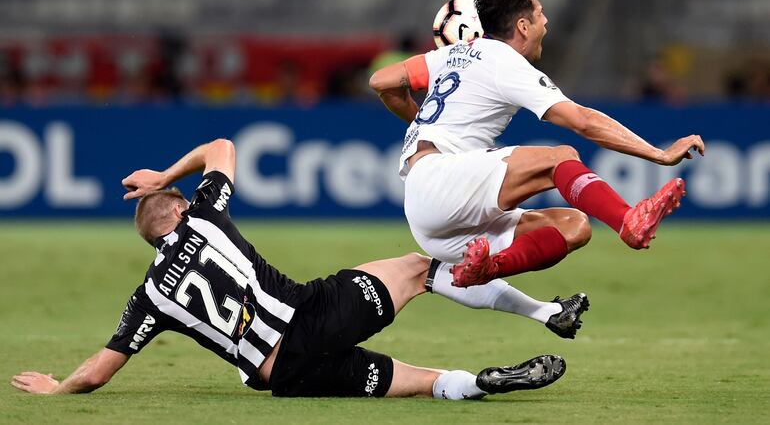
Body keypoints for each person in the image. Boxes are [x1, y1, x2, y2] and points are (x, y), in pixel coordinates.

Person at [10, 139, 566, 399]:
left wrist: (56, 391)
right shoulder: (204, 218)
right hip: (316, 316)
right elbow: (222, 147)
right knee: (421, 267)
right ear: (178, 210)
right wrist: (162, 175)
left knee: (420, 383)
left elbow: (99, 371)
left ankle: (476, 385)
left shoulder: (149, 295)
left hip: (282, 377)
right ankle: (541, 311)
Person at [369, 0, 705, 290]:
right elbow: (583, 121)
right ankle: (627, 220)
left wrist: (420, 123)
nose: (546, 23)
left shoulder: (450, 53)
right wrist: (659, 154)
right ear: (523, 25)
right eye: (541, 14)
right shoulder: (504, 61)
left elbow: (381, 81)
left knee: (573, 226)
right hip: (443, 183)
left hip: (427, 216)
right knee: (560, 158)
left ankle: (488, 267)